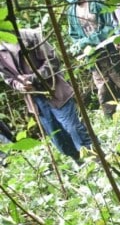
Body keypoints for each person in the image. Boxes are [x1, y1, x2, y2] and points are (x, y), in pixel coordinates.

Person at [0, 29, 92, 163]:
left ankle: (96, 157)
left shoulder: (30, 36)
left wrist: (33, 78)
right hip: (35, 100)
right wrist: (20, 85)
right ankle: (79, 161)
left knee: (73, 128)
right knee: (58, 138)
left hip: (55, 90)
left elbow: (53, 61)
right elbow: (9, 78)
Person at [62, 0, 120, 117]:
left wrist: (89, 40)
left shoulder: (97, 3)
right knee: (103, 89)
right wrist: (79, 45)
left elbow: (111, 27)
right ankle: (110, 118)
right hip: (93, 57)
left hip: (110, 52)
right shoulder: (71, 11)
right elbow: (73, 34)